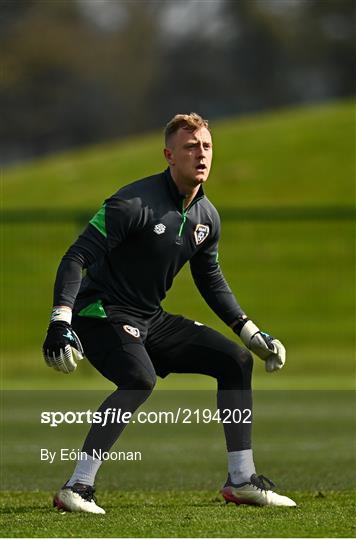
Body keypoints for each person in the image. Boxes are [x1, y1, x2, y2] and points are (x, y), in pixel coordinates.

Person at [43, 113, 296, 514]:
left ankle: (242, 480)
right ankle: (77, 487)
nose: (201, 154)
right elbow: (76, 258)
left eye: (207, 146)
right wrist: (61, 320)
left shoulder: (207, 217)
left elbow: (210, 280)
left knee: (235, 360)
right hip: (100, 312)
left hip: (148, 317)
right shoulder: (131, 203)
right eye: (190, 147)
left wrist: (250, 332)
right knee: (138, 379)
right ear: (169, 155)